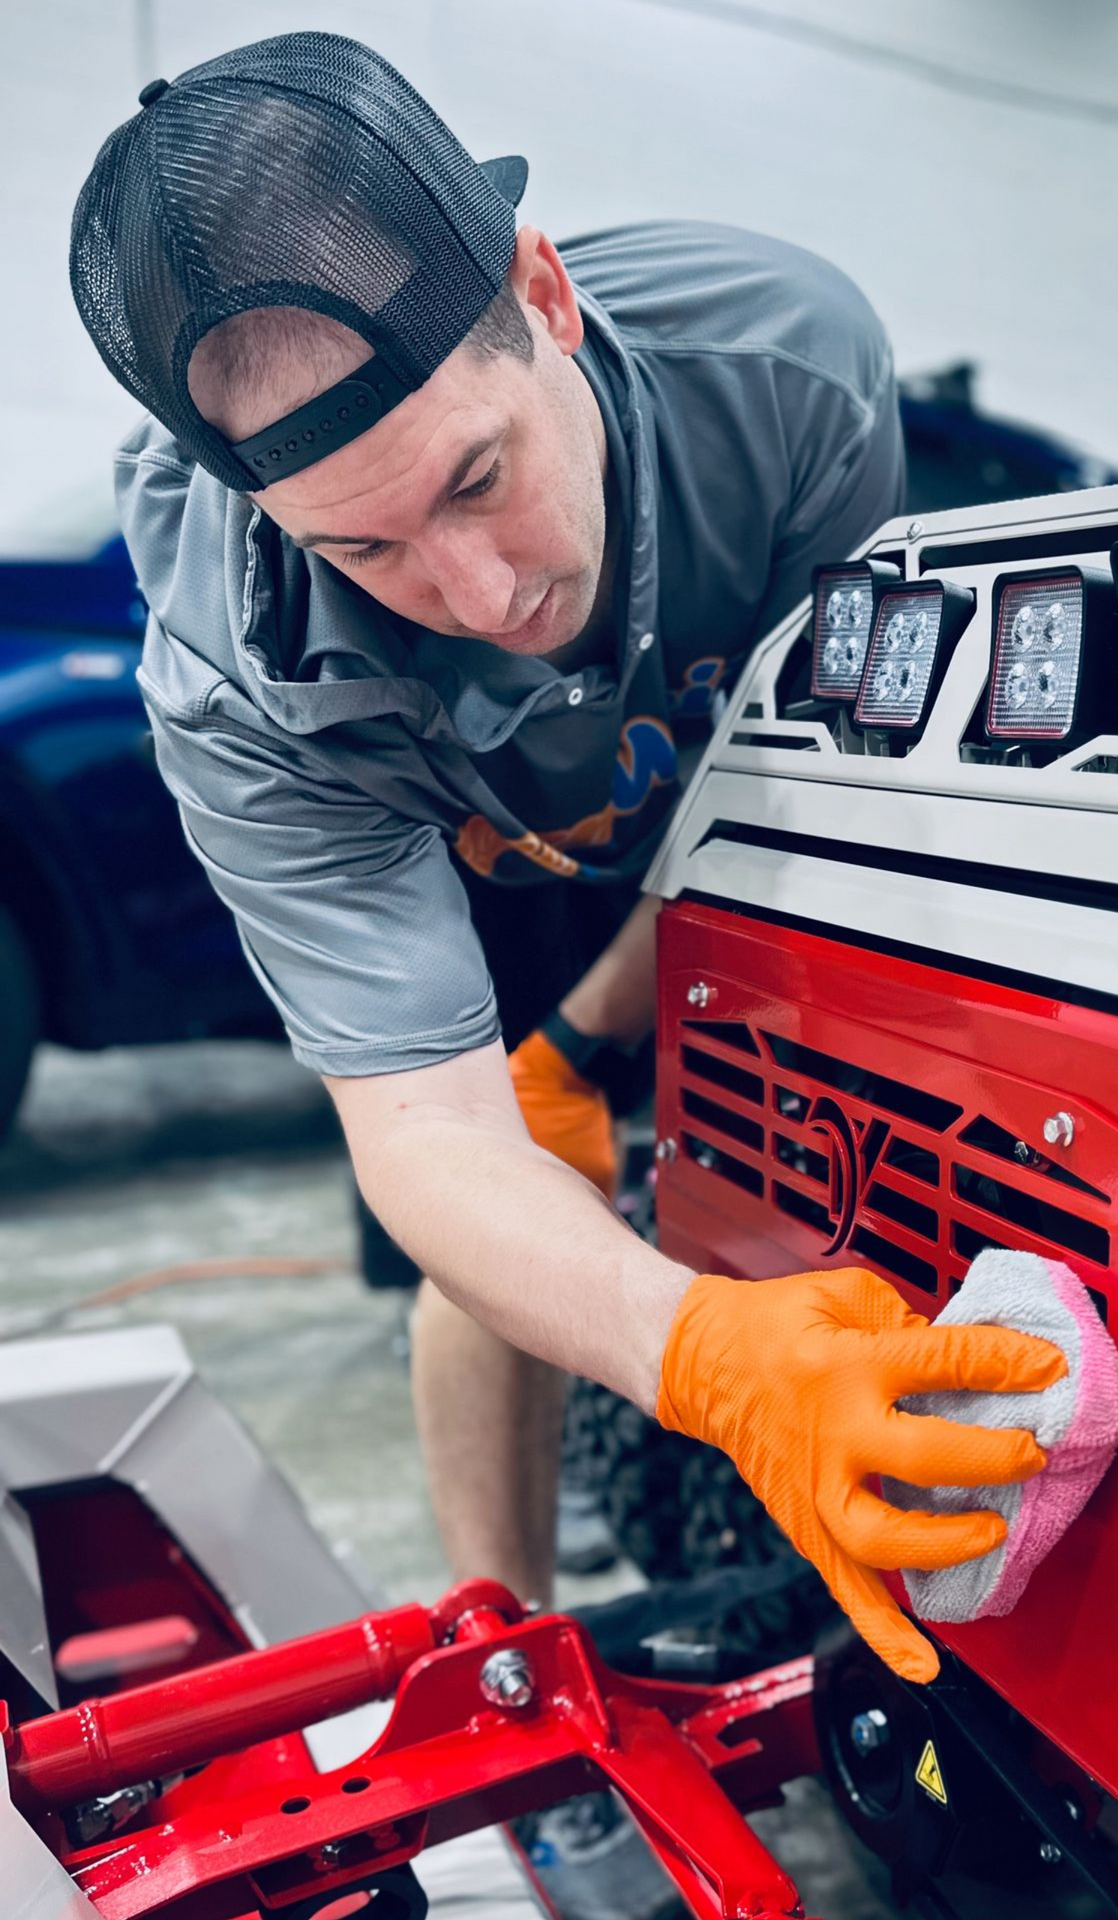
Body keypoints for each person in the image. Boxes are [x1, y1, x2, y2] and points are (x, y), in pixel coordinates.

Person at [70, 30, 1063, 1685]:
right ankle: (515, 1661)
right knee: (500, 1224)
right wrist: (702, 1354)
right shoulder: (238, 685)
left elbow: (818, 802)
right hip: (458, 866)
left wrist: (616, 1027)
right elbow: (426, 1131)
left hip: (727, 806)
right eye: (363, 547)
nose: (475, 594)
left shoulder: (788, 379)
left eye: (481, 478)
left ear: (545, 294)